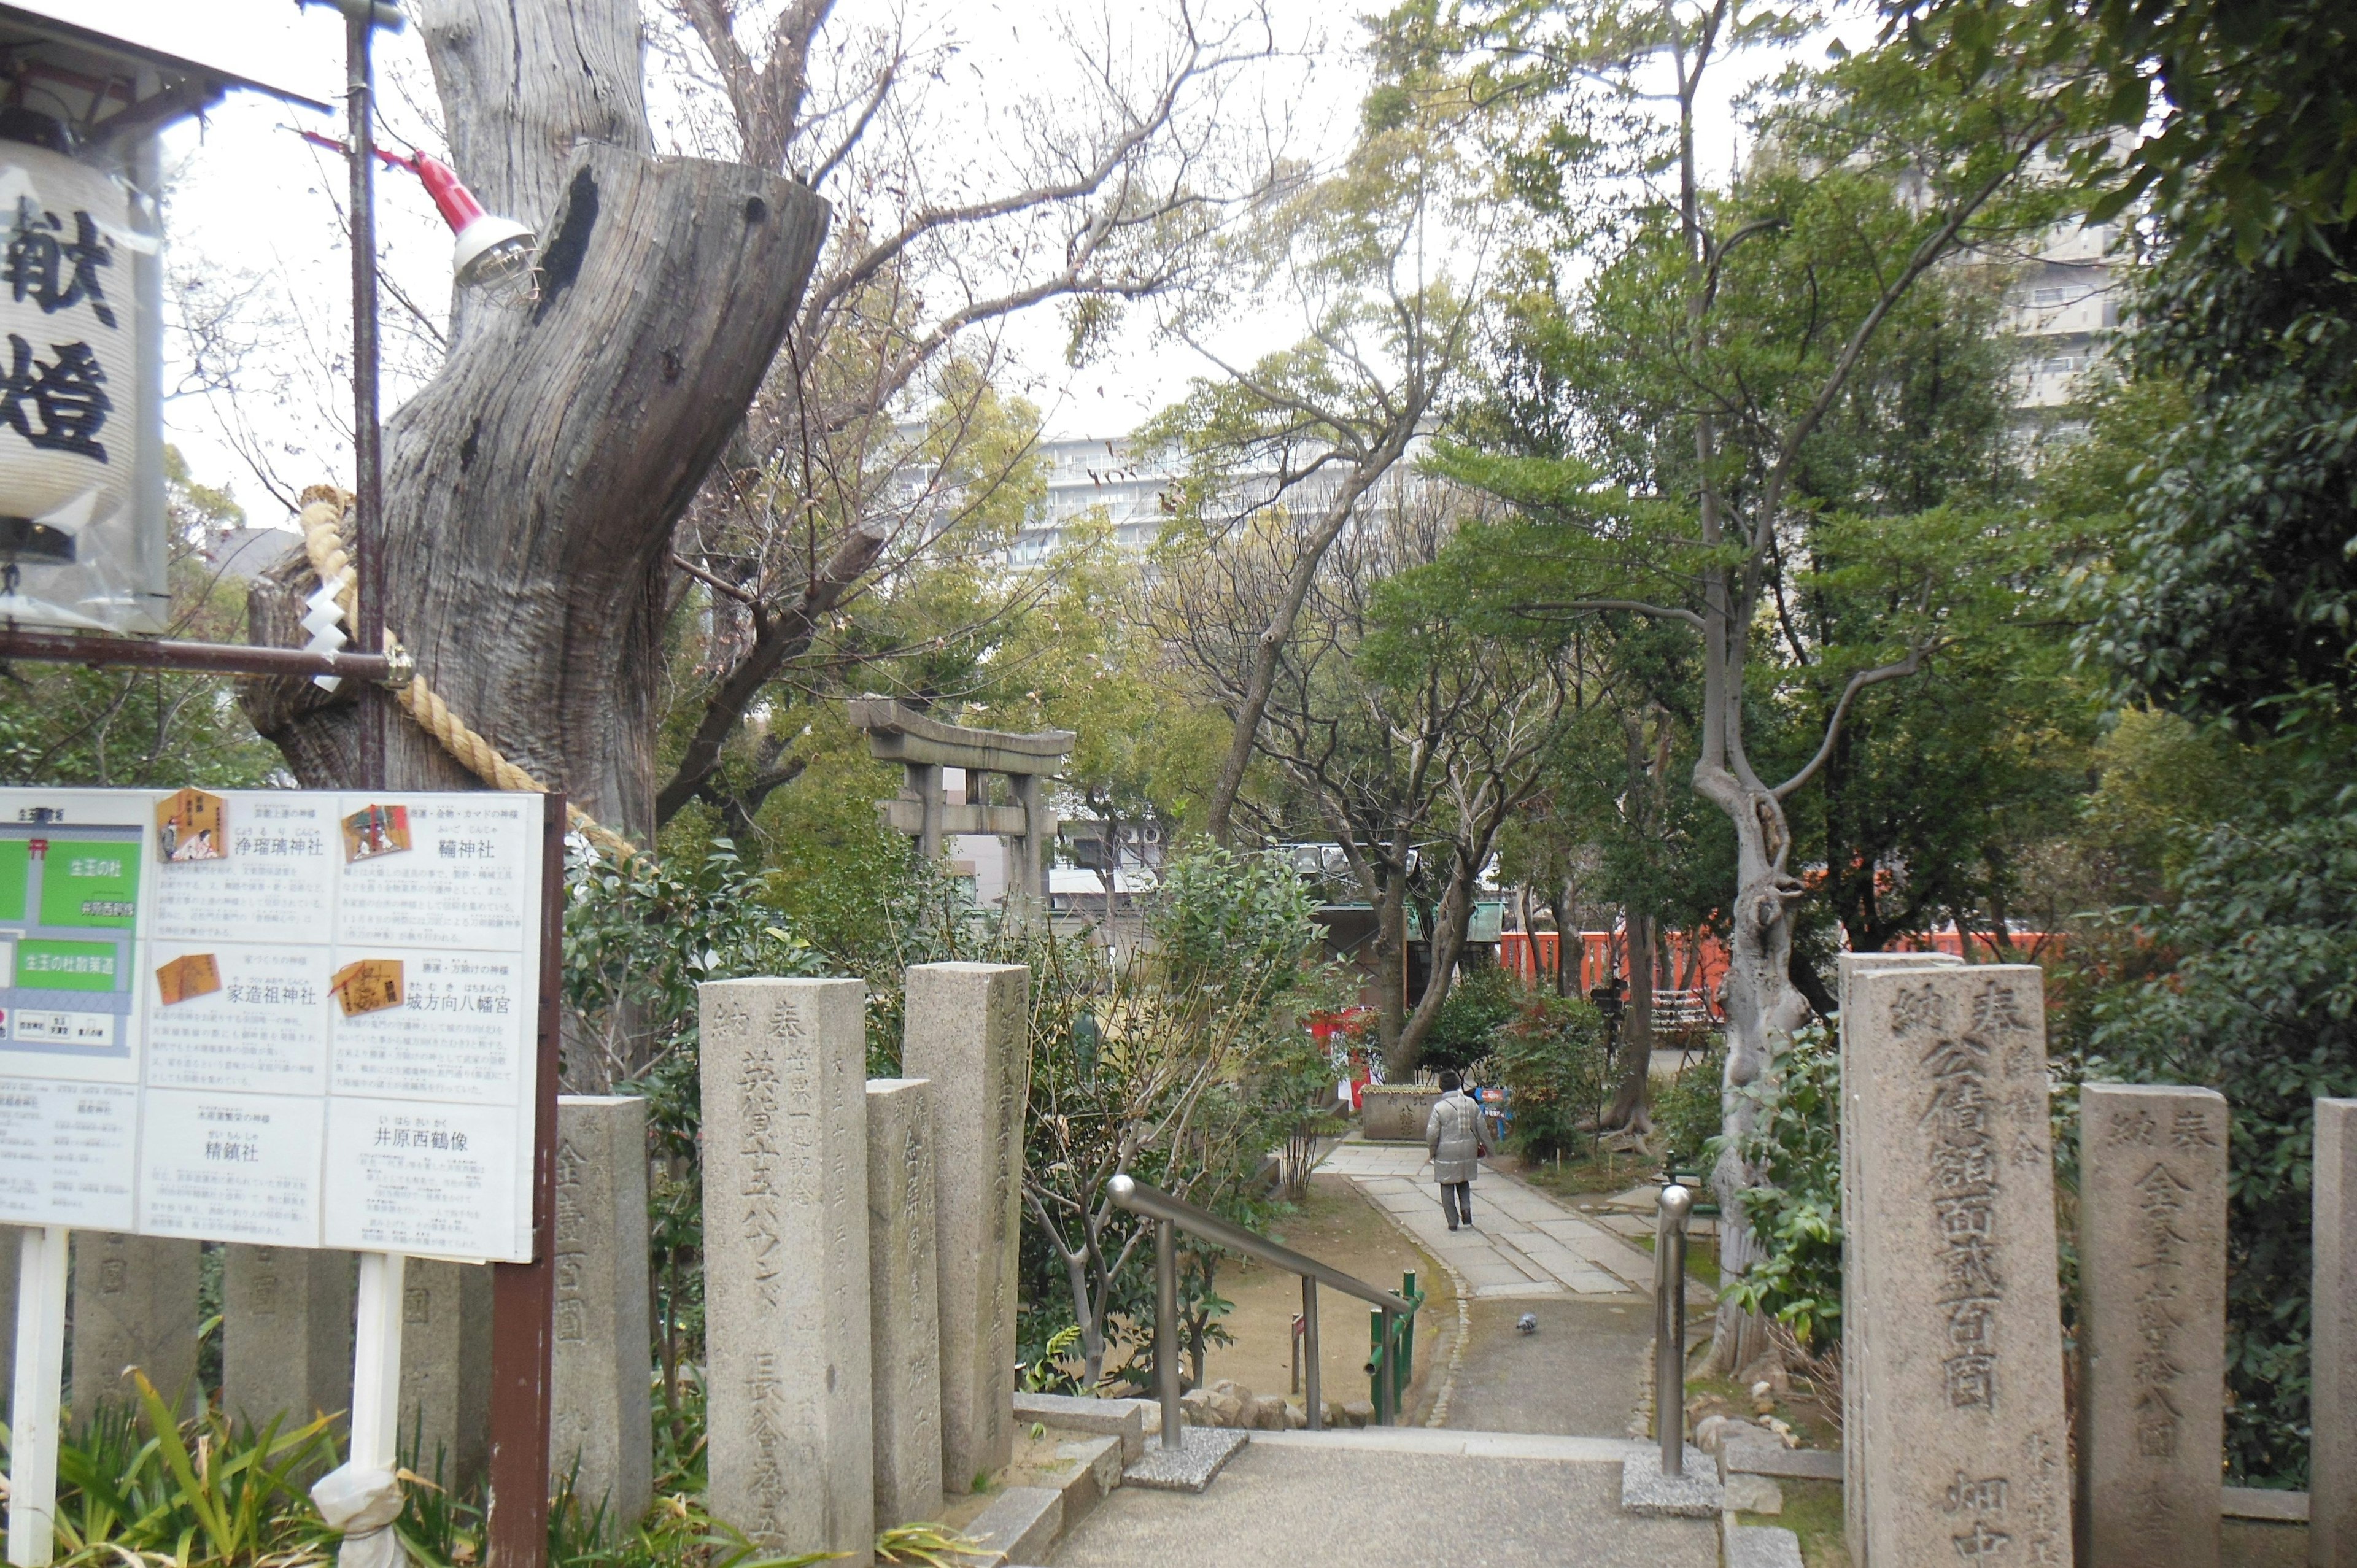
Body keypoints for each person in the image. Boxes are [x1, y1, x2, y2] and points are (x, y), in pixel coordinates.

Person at [1425, 1070, 1492, 1231]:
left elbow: (1432, 1134)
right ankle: (1466, 1209)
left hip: (1445, 1151)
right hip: (1468, 1149)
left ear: (1442, 1087)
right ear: (1458, 1084)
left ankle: (1452, 1222)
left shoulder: (1439, 1108)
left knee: (1447, 1185)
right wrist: (1490, 1150)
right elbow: (1482, 1129)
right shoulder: (1471, 1103)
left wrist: (1432, 1152)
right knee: (1463, 1180)